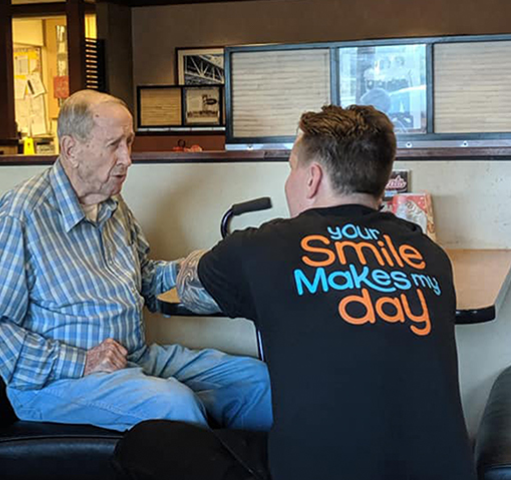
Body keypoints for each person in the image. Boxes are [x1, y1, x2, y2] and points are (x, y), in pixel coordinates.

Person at [114, 105, 477, 480]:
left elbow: (186, 288)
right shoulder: (430, 255)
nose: (289, 181)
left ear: (312, 178)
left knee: (144, 443)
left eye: (291, 168)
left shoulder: (265, 247)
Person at [0, 90, 272, 433]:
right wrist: (81, 361)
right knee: (173, 404)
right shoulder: (24, 212)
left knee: (256, 380)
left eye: (129, 142)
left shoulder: (113, 205)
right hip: (57, 384)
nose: (127, 158)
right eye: (114, 145)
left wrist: (199, 270)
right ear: (71, 149)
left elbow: (146, 279)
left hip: (133, 358)